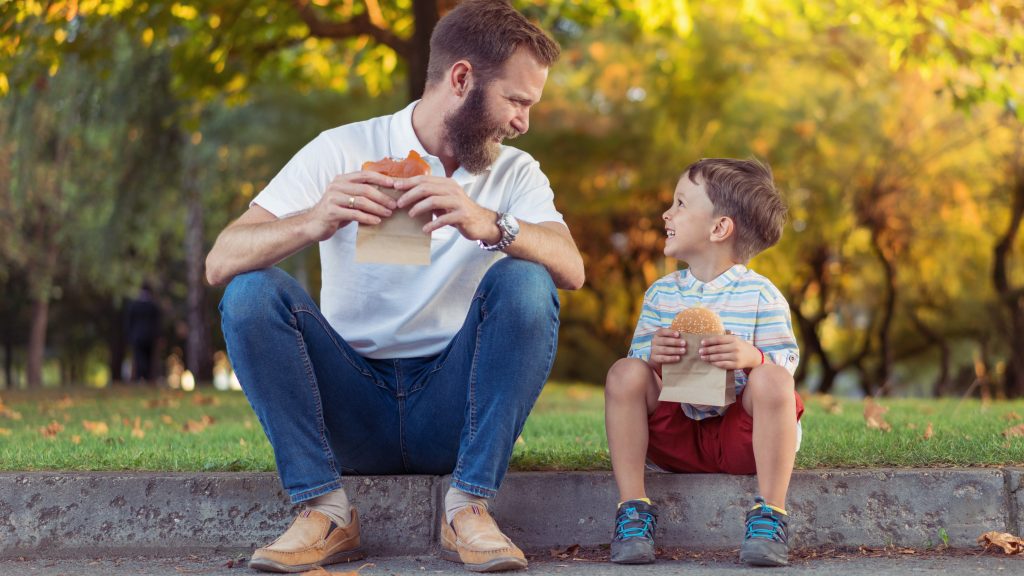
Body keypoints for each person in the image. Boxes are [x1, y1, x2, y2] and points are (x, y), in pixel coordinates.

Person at [205, 1, 584, 573]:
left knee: (528, 280)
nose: (523, 121)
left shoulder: (515, 173)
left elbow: (571, 271)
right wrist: (314, 219)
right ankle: (323, 509)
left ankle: (470, 506)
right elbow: (220, 261)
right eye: (516, 100)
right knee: (249, 291)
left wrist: (490, 224)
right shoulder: (340, 149)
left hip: (455, 407)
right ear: (461, 79)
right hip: (350, 403)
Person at [603, 158, 801, 567]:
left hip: (742, 440)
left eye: (679, 204)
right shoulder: (661, 295)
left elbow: (787, 365)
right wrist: (651, 357)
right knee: (624, 372)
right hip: (674, 437)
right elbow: (637, 364)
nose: (666, 214)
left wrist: (753, 358)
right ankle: (633, 509)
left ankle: (770, 513)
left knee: (773, 381)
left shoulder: (762, 295)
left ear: (718, 228)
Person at [125, 283, 161, 383]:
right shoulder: (153, 306)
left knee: (139, 358)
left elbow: (129, 323)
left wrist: (129, 336)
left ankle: (141, 377)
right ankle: (146, 377)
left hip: (137, 337)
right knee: (147, 358)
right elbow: (157, 324)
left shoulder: (134, 306)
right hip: (150, 337)